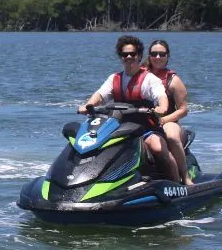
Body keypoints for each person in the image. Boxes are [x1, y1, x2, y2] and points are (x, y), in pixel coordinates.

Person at [77, 35, 180, 183]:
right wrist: (88, 106)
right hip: (119, 127)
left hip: (145, 128)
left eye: (133, 54)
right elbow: (100, 95)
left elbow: (160, 95)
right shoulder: (114, 78)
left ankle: (178, 184)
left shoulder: (150, 79)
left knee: (158, 148)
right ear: (121, 57)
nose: (129, 57)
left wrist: (162, 108)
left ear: (139, 56)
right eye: (125, 54)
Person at [143, 39, 192, 185]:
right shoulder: (141, 75)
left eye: (162, 54)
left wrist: (164, 120)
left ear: (167, 56)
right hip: (144, 120)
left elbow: (183, 110)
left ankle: (185, 177)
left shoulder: (173, 80)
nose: (158, 57)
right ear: (149, 56)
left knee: (170, 136)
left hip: (168, 120)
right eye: (154, 54)